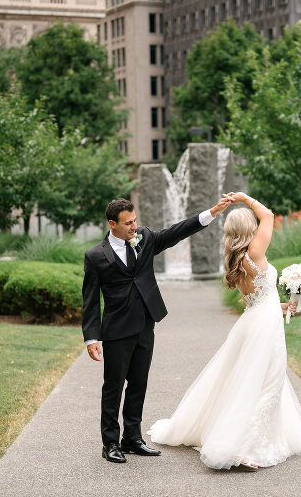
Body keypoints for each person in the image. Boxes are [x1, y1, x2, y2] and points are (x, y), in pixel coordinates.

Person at [147, 192, 301, 471]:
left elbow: (255, 300)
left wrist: (284, 305)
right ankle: (240, 446)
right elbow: (270, 215)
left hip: (253, 321)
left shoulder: (235, 260)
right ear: (250, 229)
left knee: (247, 380)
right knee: (265, 382)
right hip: (264, 325)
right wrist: (244, 198)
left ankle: (243, 436)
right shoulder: (255, 252)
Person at [82, 197, 232, 463]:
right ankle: (110, 443)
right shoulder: (95, 256)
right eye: (128, 223)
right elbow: (91, 300)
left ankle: (132, 438)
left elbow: (175, 232)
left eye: (135, 220)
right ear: (111, 224)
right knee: (113, 388)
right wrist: (92, 337)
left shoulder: (145, 237)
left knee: (138, 384)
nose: (134, 226)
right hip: (116, 331)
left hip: (145, 325)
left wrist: (210, 213)